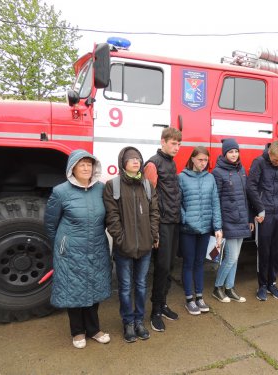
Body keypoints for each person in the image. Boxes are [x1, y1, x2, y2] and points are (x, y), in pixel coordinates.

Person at [44, 149, 112, 349]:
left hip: (97, 247)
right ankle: (77, 332)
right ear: (72, 168)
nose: (85, 167)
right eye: (81, 164)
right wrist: (61, 246)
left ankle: (94, 329)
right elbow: (50, 223)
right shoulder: (61, 191)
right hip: (70, 251)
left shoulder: (101, 189)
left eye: (89, 164)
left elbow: (109, 218)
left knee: (93, 287)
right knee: (73, 290)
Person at [103, 147, 160, 343]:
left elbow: (154, 212)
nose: (136, 162)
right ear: (123, 162)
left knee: (142, 286)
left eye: (138, 159)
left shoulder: (146, 185)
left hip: (145, 247)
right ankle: (127, 322)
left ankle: (139, 321)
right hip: (123, 249)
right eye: (132, 159)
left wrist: (153, 235)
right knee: (126, 287)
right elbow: (112, 217)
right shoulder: (113, 186)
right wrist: (120, 240)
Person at [144, 127, 182, 332]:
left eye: (179, 144)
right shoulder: (153, 163)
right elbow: (149, 198)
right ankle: (155, 311)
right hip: (162, 223)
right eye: (173, 143)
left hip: (174, 221)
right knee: (162, 268)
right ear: (163, 142)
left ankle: (163, 304)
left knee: (170, 267)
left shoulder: (171, 163)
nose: (177, 147)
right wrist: (155, 230)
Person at [178, 146, 222, 315]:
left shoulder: (210, 178)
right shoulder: (181, 177)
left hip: (205, 229)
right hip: (188, 229)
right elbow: (178, 203)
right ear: (192, 159)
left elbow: (215, 203)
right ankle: (189, 299)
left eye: (205, 160)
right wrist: (185, 218)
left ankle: (199, 296)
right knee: (188, 263)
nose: (203, 163)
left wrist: (217, 227)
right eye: (200, 159)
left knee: (200, 263)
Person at [247, 141, 278, 301]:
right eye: (275, 160)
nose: (277, 162)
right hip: (264, 214)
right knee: (264, 252)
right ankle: (262, 286)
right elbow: (250, 186)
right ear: (270, 154)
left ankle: (272, 283)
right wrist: (259, 208)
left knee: (277, 251)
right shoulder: (259, 162)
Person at [212, 138, 253, 303]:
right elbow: (215, 200)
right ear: (224, 153)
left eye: (236, 151)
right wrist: (218, 226)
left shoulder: (241, 170)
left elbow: (246, 197)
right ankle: (217, 287)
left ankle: (229, 287)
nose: (234, 154)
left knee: (236, 258)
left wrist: (249, 218)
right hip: (227, 221)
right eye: (231, 152)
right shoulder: (217, 172)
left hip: (242, 220)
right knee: (230, 257)